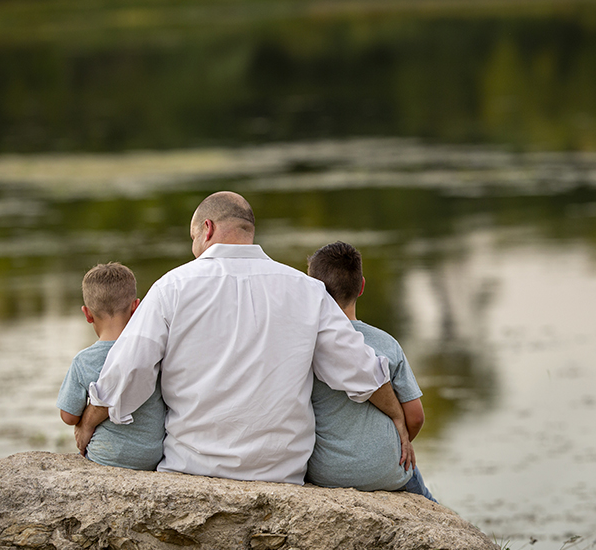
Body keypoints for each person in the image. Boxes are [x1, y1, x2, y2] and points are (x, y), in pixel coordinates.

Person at [80, 191, 412, 484]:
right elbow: (356, 367)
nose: (194, 249)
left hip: (193, 467)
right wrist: (397, 415)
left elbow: (128, 370)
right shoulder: (307, 290)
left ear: (207, 229)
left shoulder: (172, 286)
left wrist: (87, 424)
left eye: (193, 238)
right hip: (281, 474)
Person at [306, 241, 436, 501]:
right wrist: (399, 444)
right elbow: (416, 417)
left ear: (313, 289)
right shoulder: (386, 343)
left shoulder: (306, 342)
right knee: (428, 499)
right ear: (362, 286)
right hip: (387, 470)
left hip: (326, 473)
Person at [57, 262, 165, 470]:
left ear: (87, 314)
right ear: (136, 308)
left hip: (106, 457)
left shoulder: (84, 360)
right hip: (154, 454)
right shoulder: (154, 352)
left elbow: (68, 416)